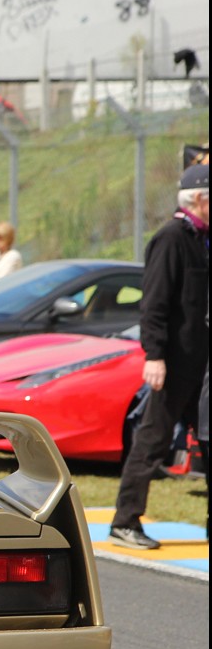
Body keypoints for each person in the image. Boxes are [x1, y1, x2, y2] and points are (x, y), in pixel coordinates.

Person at [109, 163, 209, 549]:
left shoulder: (203, 239)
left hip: (202, 365)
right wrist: (154, 355)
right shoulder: (171, 238)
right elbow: (154, 303)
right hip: (175, 365)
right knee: (152, 441)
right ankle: (125, 522)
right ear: (198, 198)